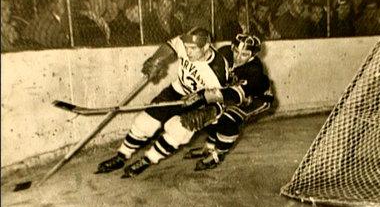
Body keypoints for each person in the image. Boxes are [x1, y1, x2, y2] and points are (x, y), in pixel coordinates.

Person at [96, 27, 228, 178]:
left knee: (178, 130)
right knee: (144, 122)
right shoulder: (185, 42)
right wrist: (157, 59)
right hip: (176, 91)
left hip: (198, 102)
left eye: (193, 49)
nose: (188, 52)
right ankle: (121, 156)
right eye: (186, 48)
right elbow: (170, 46)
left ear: (206, 46)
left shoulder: (217, 70)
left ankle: (148, 160)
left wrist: (204, 109)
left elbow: (221, 98)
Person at [183, 33, 274, 170]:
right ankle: (209, 147)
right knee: (208, 113)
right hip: (229, 92)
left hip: (256, 98)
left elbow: (235, 95)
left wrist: (203, 96)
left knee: (228, 118)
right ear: (232, 47)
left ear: (253, 55)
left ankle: (218, 154)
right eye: (236, 51)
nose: (237, 57)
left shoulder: (255, 69)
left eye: (244, 54)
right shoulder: (224, 53)